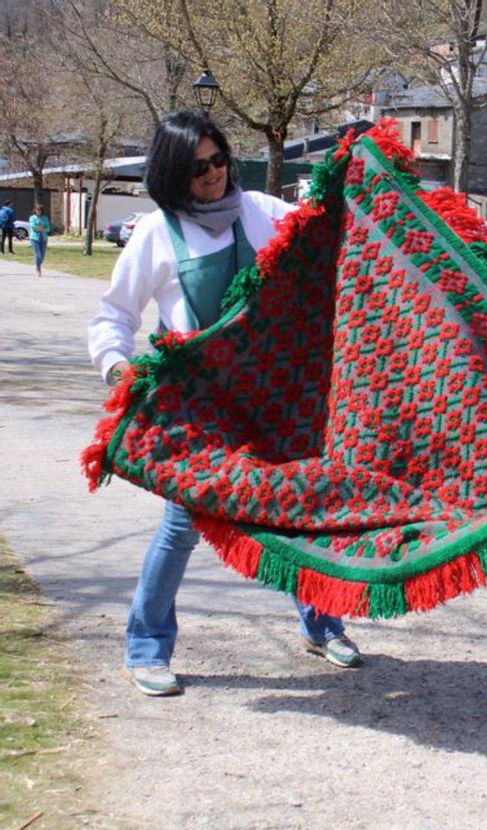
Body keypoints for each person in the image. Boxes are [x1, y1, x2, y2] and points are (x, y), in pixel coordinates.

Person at [87, 110, 362, 697]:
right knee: (182, 524)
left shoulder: (262, 212)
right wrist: (119, 367)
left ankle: (321, 622)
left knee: (294, 513)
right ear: (172, 173)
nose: (213, 175)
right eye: (197, 168)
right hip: (202, 411)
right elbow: (114, 315)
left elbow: (330, 231)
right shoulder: (157, 233)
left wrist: (358, 176)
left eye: (218, 161)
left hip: (273, 403)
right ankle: (146, 647)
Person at [29, 204, 51, 276]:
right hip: (35, 238)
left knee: (43, 255)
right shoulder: (32, 218)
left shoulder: (45, 218)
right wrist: (40, 228)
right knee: (38, 255)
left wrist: (43, 229)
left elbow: (48, 228)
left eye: (40, 210)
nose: (39, 211)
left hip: (43, 238)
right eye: (37, 210)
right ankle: (38, 268)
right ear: (35, 210)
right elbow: (33, 226)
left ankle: (38, 264)